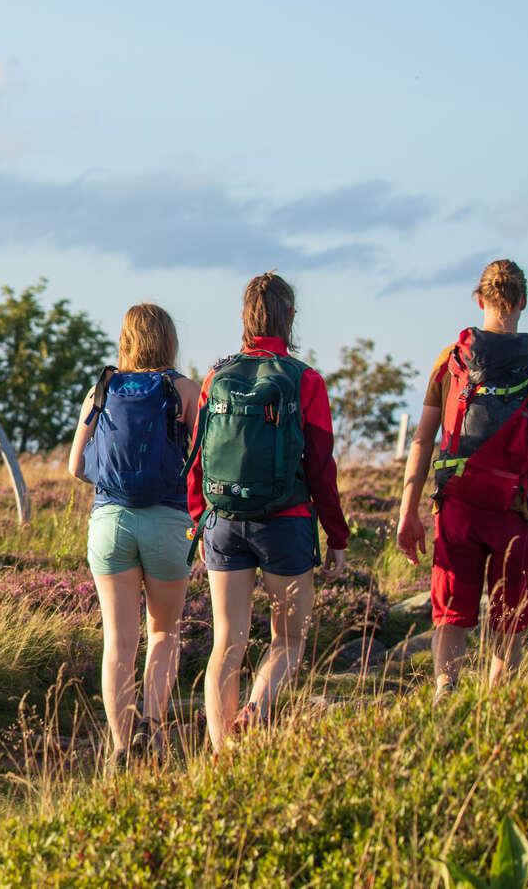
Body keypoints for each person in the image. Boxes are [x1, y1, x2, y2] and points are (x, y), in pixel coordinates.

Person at [186, 272, 348, 751]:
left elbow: (197, 455)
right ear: (290, 317)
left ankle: (221, 755)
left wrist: (200, 516)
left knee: (226, 644)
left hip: (223, 521)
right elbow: (321, 464)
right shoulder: (306, 380)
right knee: (288, 641)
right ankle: (256, 709)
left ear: (245, 319)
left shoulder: (216, 376)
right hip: (287, 522)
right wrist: (336, 535)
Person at [396, 259, 528, 697]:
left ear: (480, 299)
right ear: (523, 301)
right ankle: (498, 702)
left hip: (457, 506)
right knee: (510, 617)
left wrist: (407, 512)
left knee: (451, 611)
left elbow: (422, 440)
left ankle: (444, 691)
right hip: (515, 508)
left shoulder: (452, 359)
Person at [68, 303, 199, 765]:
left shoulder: (100, 388)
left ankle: (122, 747)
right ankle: (154, 731)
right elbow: (200, 463)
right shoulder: (184, 389)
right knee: (163, 632)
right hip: (168, 522)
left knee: (118, 641)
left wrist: (112, 486)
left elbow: (74, 465)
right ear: (168, 339)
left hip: (110, 522)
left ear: (126, 339)